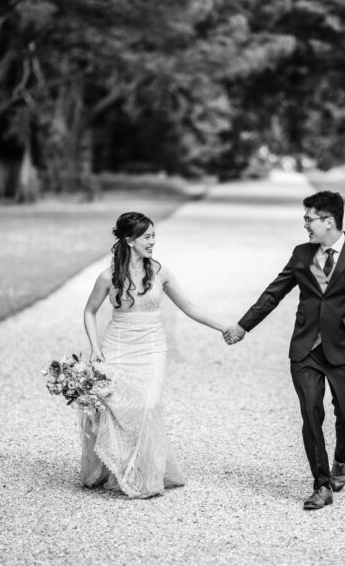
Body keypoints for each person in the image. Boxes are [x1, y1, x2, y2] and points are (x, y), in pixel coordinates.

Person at [225, 191, 345, 510]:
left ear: (329, 221)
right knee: (311, 413)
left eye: (309, 219)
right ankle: (321, 484)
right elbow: (274, 293)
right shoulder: (302, 253)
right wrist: (243, 325)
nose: (305, 225)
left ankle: (341, 460)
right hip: (305, 350)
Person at [81, 211, 234, 498]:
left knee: (148, 405)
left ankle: (145, 475)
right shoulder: (107, 277)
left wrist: (224, 326)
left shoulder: (160, 272)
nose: (153, 242)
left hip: (151, 348)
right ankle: (120, 467)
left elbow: (189, 307)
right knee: (119, 408)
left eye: (154, 236)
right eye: (147, 236)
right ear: (129, 240)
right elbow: (89, 311)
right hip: (118, 346)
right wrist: (95, 348)